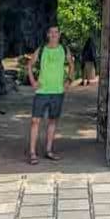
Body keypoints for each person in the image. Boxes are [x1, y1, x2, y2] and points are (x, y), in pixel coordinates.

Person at [27, 25, 74, 165]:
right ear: (47, 34)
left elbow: (71, 65)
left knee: (52, 121)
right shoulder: (41, 49)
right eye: (51, 32)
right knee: (35, 121)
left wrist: (69, 80)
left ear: (59, 35)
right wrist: (33, 81)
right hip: (42, 91)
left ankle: (48, 150)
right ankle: (32, 152)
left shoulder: (64, 49)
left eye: (56, 32)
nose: (54, 34)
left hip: (58, 91)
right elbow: (29, 64)